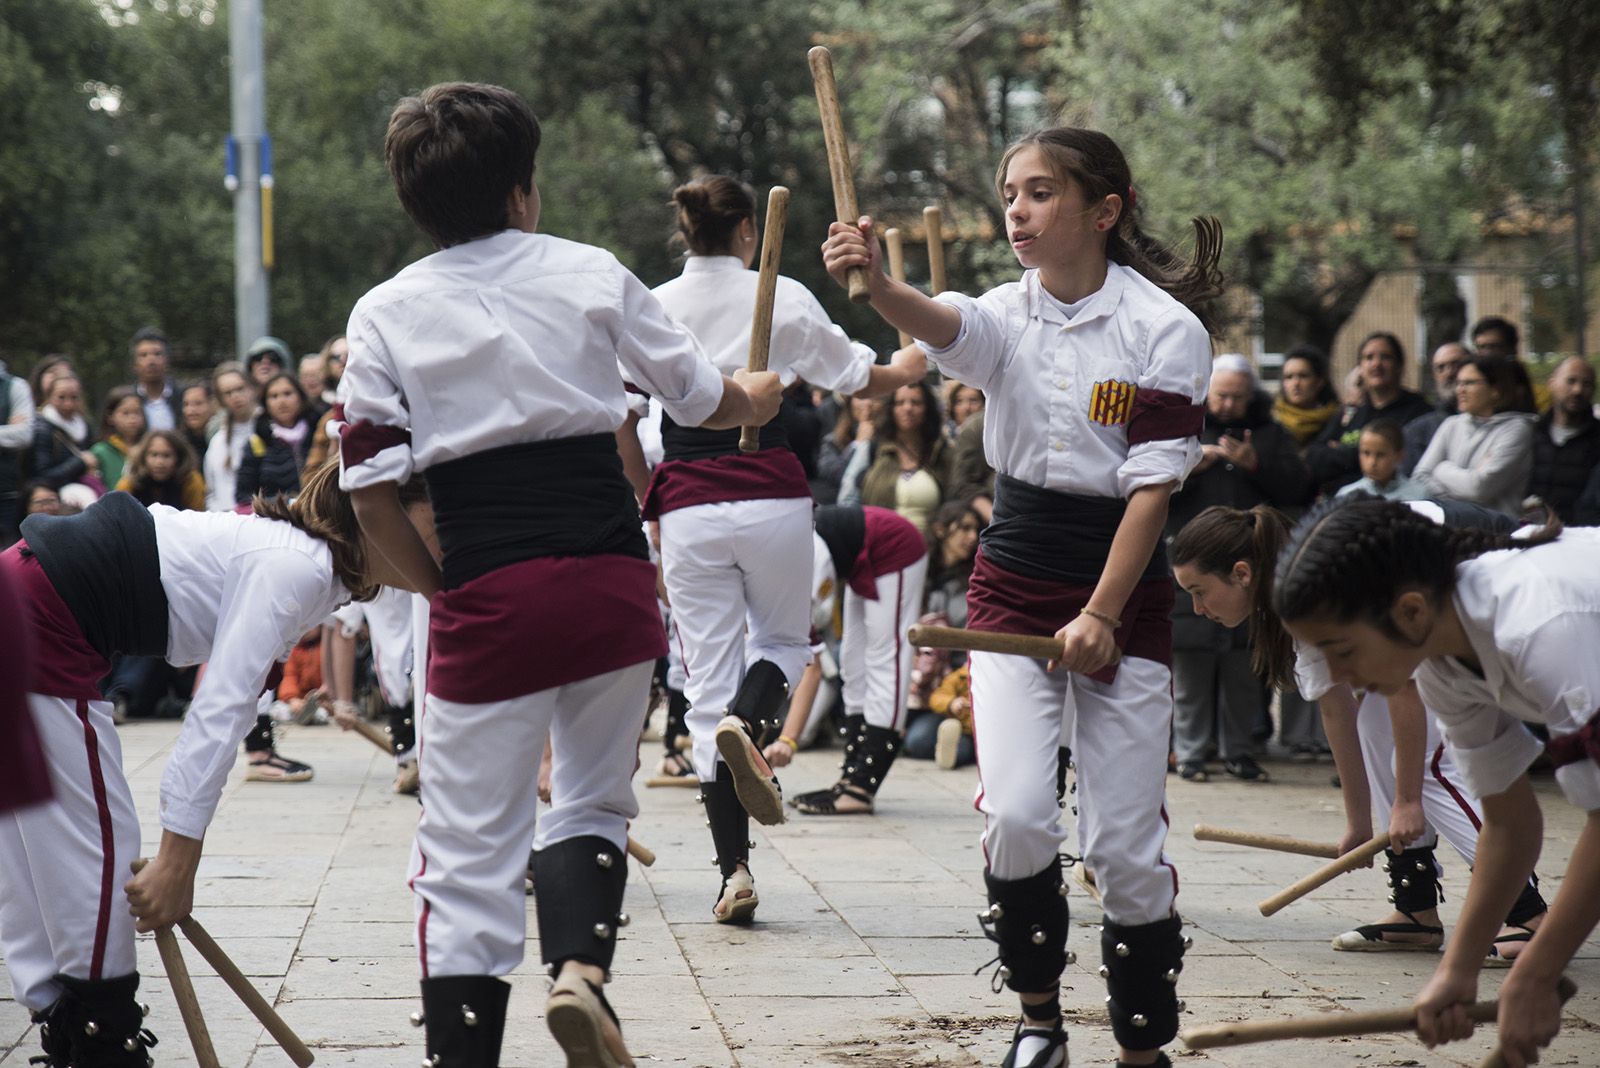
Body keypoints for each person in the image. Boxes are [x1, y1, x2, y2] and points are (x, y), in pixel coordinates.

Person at [337, 82, 782, 1067]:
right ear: (523, 191)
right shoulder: (592, 271)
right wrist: (757, 388)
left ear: (416, 201)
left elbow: (368, 496)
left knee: (463, 858)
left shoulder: (385, 312)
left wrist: (441, 590)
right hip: (610, 581)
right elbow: (703, 399)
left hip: (489, 585)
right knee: (591, 802)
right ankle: (580, 972)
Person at [823, 124, 1219, 1068]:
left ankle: (1141, 1045)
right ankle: (1039, 1022)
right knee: (1016, 815)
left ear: (1105, 209)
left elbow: (1153, 494)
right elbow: (943, 325)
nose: (1018, 212)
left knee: (1123, 850)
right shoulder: (1008, 313)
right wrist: (878, 285)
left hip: (1123, 587)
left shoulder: (1165, 331)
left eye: (1040, 193)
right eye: (1010, 195)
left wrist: (1103, 614)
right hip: (1010, 578)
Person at [0, 461, 430, 1068]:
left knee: (38, 840)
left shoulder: (307, 560)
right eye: (440, 521)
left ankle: (66, 1020)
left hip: (27, 601)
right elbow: (220, 706)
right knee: (97, 849)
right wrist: (179, 858)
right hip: (40, 619)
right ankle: (101, 1041)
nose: (447, 544)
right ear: (378, 511)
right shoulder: (297, 564)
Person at [643, 173, 922, 920]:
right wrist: (911, 367)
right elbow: (860, 378)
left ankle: (733, 870)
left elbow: (619, 406)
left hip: (687, 504)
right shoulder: (784, 294)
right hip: (768, 492)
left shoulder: (656, 305)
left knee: (704, 686)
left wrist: (647, 498)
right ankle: (751, 719)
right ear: (745, 232)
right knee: (786, 643)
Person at [1272, 496, 1599, 1068]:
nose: (1340, 677)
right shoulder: (1443, 663)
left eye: (1342, 651)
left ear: (1412, 611)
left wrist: (1538, 971)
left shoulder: (1540, 626)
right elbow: (1510, 822)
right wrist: (1458, 971)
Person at [1172, 502, 1546, 964]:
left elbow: (1405, 686)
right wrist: (1359, 824)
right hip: (1449, 600)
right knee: (1377, 726)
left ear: (1242, 573)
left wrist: (1406, 801)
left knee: (1430, 767)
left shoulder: (1321, 582)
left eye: (1199, 591)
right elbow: (1338, 711)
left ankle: (1526, 912)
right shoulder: (1292, 593)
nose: (1196, 607)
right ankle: (1415, 909)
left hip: (1513, 578)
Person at [1166, 353, 1309, 784]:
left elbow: (1299, 486)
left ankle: (1240, 750)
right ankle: (1190, 751)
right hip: (1193, 566)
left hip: (1248, 572)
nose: (1228, 404)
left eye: (1237, 397)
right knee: (1190, 672)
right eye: (1221, 395)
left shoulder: (1270, 435)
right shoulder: (1184, 429)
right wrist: (1190, 467)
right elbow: (1151, 487)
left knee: (1246, 671)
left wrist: (1255, 465)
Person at [766, 504, 928, 817]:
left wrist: (788, 739)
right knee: (852, 663)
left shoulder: (805, 564)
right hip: (859, 561)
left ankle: (862, 786)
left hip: (896, 546)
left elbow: (810, 664)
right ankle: (851, 776)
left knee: (886, 658)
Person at [1304, 332, 1433, 496]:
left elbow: (1406, 463)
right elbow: (1315, 457)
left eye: (1385, 357)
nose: (1376, 364)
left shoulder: (1418, 411)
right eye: (1369, 357)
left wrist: (1342, 451)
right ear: (1360, 368)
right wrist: (1355, 455)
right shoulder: (1352, 411)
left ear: (1400, 365)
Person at [1413, 354, 1536, 516]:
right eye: (1458, 383)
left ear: (1495, 390)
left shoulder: (1517, 429)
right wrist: (1456, 501)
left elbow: (1480, 488)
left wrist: (1441, 468)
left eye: (1469, 383)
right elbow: (1419, 478)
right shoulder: (1451, 424)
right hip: (1450, 525)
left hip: (1497, 531)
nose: (1460, 390)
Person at [841, 379, 951, 534]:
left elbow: (953, 502)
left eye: (916, 402)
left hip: (928, 548)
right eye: (900, 403)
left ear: (927, 408)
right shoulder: (874, 448)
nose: (908, 408)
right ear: (891, 408)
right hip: (881, 544)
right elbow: (848, 497)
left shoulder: (939, 452)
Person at [1527, 356, 1599, 523]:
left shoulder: (1596, 438)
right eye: (1570, 381)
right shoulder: (1532, 432)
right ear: (1552, 383)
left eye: (1587, 384)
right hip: (1530, 532)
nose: (1577, 390)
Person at [235, 372, 315, 506]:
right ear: (265, 403)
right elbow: (243, 497)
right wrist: (285, 503)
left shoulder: (318, 432)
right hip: (275, 519)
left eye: (287, 393)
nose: (281, 401)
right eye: (274, 396)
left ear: (300, 397)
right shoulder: (258, 442)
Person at [1400, 342, 1467, 474]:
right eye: (1441, 367)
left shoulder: (1496, 421)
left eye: (1457, 364)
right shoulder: (1417, 431)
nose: (1449, 373)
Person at [30, 373, 101, 494]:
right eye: (61, 397)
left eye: (74, 397)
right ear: (49, 397)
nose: (68, 404)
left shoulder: (85, 426)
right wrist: (80, 462)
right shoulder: (42, 429)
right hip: (54, 493)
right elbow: (43, 475)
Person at [204, 362, 257, 512]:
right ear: (221, 399)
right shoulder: (218, 441)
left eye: (240, 389)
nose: (235, 396)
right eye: (227, 393)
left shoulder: (270, 431)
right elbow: (212, 492)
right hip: (227, 521)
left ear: (251, 388)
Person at [1335, 421, 1429, 501]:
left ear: (1399, 456)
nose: (1372, 462)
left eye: (1380, 455)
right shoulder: (1346, 496)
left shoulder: (1419, 496)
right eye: (1366, 453)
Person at [117, 429, 206, 511]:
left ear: (179, 458)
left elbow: (198, 519)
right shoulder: (130, 484)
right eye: (154, 455)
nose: (160, 462)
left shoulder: (191, 482)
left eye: (166, 455)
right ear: (143, 457)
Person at [1272, 343, 1340, 448]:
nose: (1295, 384)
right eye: (1289, 377)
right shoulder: (1271, 421)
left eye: (1303, 376)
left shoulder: (1338, 420)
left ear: (1319, 381)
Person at [0, 358, 34, 545]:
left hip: (6, 494)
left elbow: (24, 434)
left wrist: (16, 430)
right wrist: (6, 429)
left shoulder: (15, 386)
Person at [90, 386, 148, 491]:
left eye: (137, 412)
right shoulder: (100, 451)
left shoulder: (148, 448)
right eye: (125, 413)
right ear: (110, 417)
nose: (133, 419)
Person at [128, 327, 176, 431]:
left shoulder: (183, 398)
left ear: (167, 360)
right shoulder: (127, 400)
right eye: (143, 355)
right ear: (134, 364)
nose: (151, 361)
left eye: (157, 354)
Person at [177, 381, 215, 465]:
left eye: (198, 404)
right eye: (186, 404)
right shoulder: (179, 444)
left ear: (212, 405)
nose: (190, 411)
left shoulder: (222, 438)